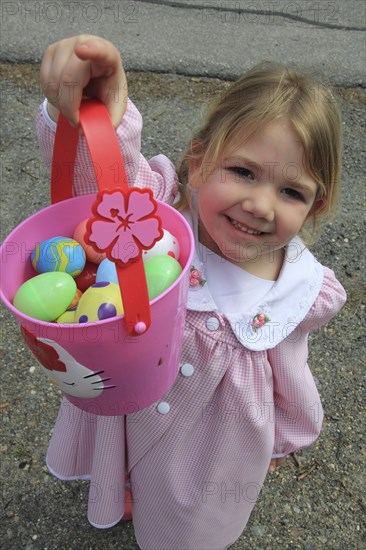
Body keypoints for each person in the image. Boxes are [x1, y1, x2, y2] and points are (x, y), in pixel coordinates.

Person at [36, 35, 346, 550]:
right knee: (129, 461)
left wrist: (279, 441)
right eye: (242, 172)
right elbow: (99, 193)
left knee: (186, 516)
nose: (261, 205)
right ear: (199, 162)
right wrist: (85, 110)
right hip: (131, 404)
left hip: (210, 447)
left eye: (291, 192)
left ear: (313, 209)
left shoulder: (296, 294)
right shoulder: (155, 223)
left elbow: (292, 380)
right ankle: (129, 484)